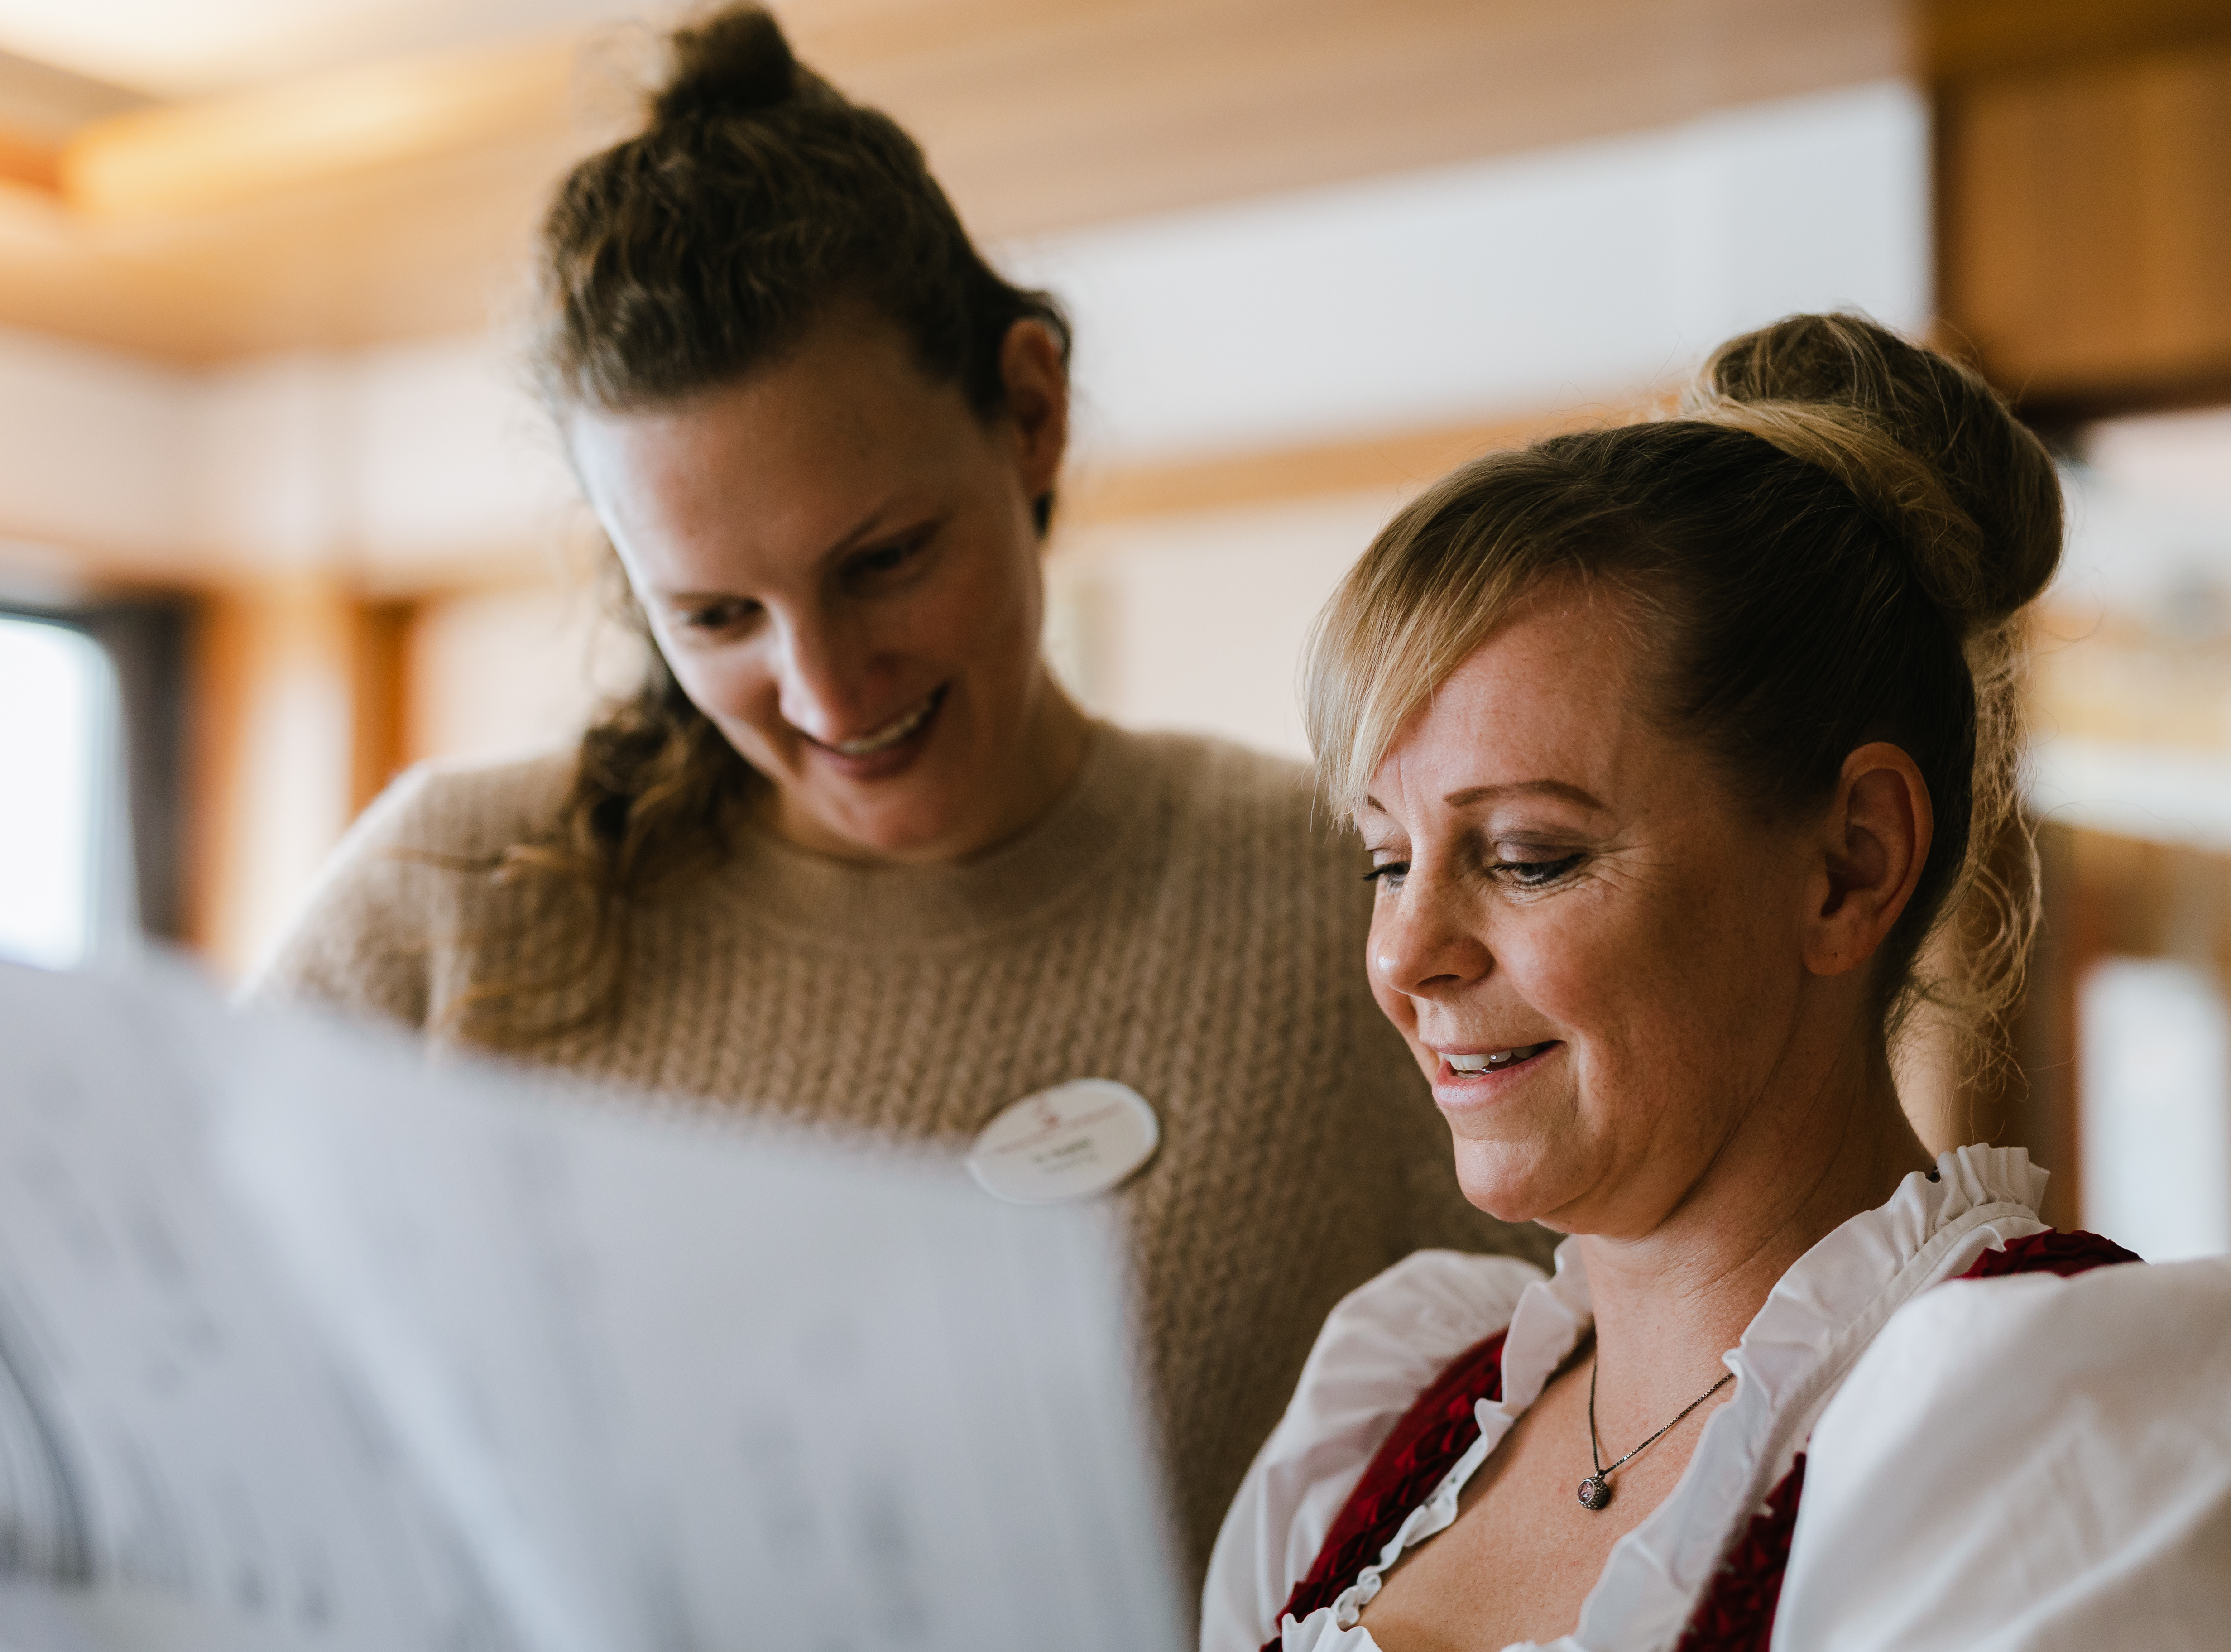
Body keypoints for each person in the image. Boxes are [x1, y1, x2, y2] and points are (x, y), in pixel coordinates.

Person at [252, 2, 1542, 1575]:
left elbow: (1607, 1457)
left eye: (883, 562)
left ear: (1032, 408)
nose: (827, 691)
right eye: (716, 618)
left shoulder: (1343, 911)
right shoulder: (440, 914)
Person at [1201, 313, 2231, 1650]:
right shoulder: (1378, 1429)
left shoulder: (2088, 1439)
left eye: (1528, 856)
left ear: (1848, 867)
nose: (1408, 955)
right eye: (1387, 862)